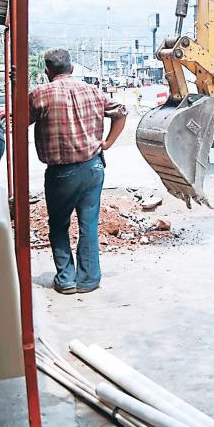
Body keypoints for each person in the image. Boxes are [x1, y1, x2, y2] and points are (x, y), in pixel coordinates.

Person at [30, 49, 127, 295]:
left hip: (61, 173)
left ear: (47, 71)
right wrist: (107, 143)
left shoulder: (40, 94)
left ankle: (66, 279)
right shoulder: (93, 91)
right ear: (72, 69)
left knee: (59, 226)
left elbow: (19, 121)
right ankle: (88, 280)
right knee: (89, 224)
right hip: (93, 167)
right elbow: (121, 112)